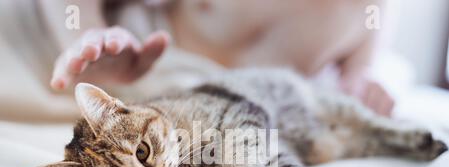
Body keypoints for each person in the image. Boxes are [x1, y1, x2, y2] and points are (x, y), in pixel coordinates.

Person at [39, 0, 394, 116]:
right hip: (137, 55)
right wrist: (86, 34)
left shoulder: (367, 14)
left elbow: (358, 78)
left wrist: (364, 85)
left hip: (224, 115)